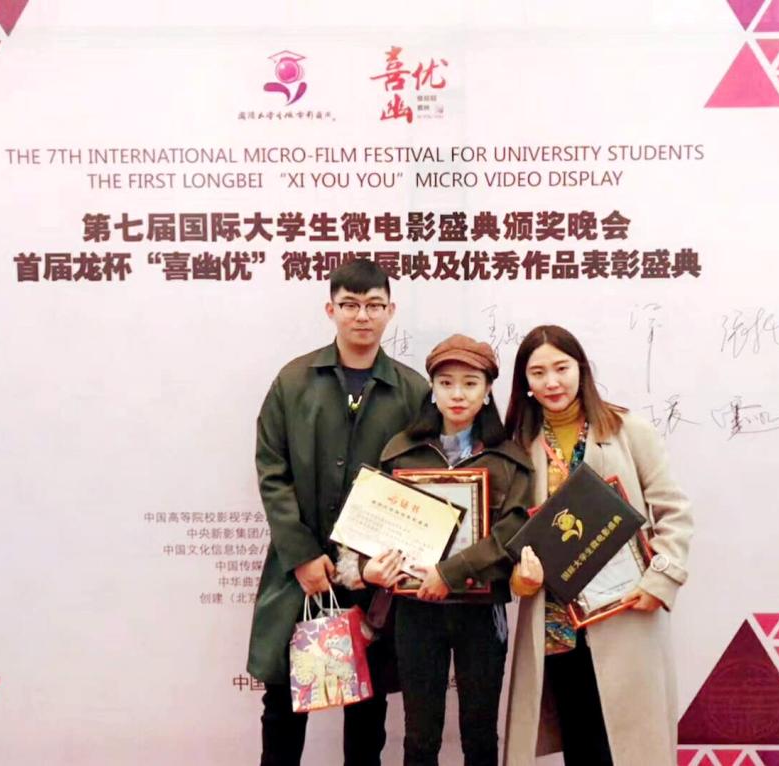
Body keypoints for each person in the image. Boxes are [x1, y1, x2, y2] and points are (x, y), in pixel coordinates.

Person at [247, 260, 429, 766]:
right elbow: (271, 469)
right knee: (283, 705)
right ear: (331, 310)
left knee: (367, 712)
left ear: (390, 310)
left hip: (376, 578)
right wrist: (302, 555)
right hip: (299, 573)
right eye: (349, 305)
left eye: (373, 305)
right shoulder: (294, 381)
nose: (361, 316)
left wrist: (376, 564)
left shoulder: (412, 391)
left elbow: (423, 482)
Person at [502, 325, 693, 766]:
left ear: (581, 369)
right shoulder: (519, 446)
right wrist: (520, 579)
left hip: (626, 609)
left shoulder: (629, 430)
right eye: (538, 373)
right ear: (524, 382)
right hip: (558, 626)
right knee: (582, 745)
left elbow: (674, 512)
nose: (552, 382)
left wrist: (659, 580)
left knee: (630, 745)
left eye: (561, 368)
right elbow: (509, 534)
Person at [364, 334, 533, 766]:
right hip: (416, 610)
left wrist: (450, 573)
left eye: (470, 383)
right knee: (420, 735)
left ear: (488, 390)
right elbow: (371, 525)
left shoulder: (508, 458)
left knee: (480, 734)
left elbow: (513, 531)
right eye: (446, 383)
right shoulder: (402, 452)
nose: (458, 394)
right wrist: (371, 566)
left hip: (482, 612)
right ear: (432, 389)